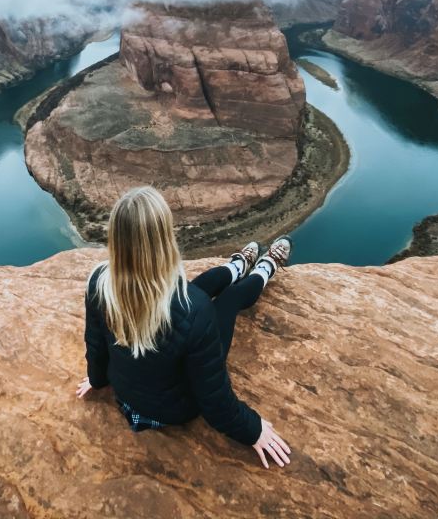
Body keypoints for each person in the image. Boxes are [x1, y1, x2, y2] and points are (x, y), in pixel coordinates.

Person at [75, 185, 293, 468]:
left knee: (196, 288)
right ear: (164, 239)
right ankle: (267, 266)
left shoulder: (99, 283)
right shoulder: (195, 309)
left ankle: (238, 265)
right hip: (173, 409)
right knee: (227, 302)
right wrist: (252, 430)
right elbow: (214, 400)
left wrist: (97, 378)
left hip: (126, 392)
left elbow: (96, 343)